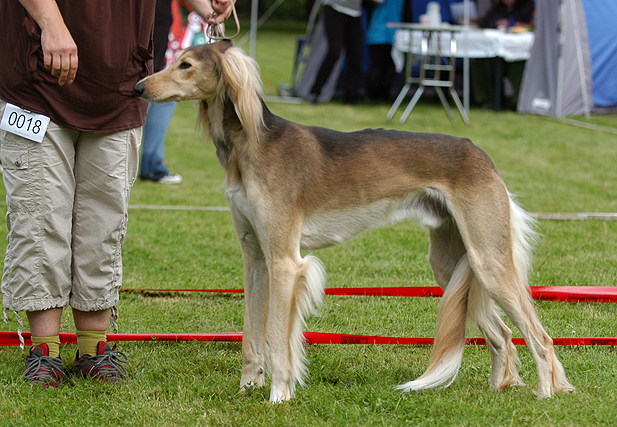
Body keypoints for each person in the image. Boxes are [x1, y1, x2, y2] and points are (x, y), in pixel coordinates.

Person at [0, 0, 232, 388]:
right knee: (40, 218)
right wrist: (51, 23)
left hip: (120, 84)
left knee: (103, 224)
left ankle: (93, 350)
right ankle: (44, 352)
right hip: (35, 79)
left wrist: (209, 5)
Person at [140, 0, 218, 184]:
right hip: (156, 34)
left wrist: (213, 15)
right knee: (162, 97)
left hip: (156, 32)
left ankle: (150, 163)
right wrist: (213, 15)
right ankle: (151, 164)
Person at [307, 0, 365, 105]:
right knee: (334, 52)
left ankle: (350, 97)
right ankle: (315, 91)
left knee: (356, 56)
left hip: (355, 13)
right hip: (334, 8)